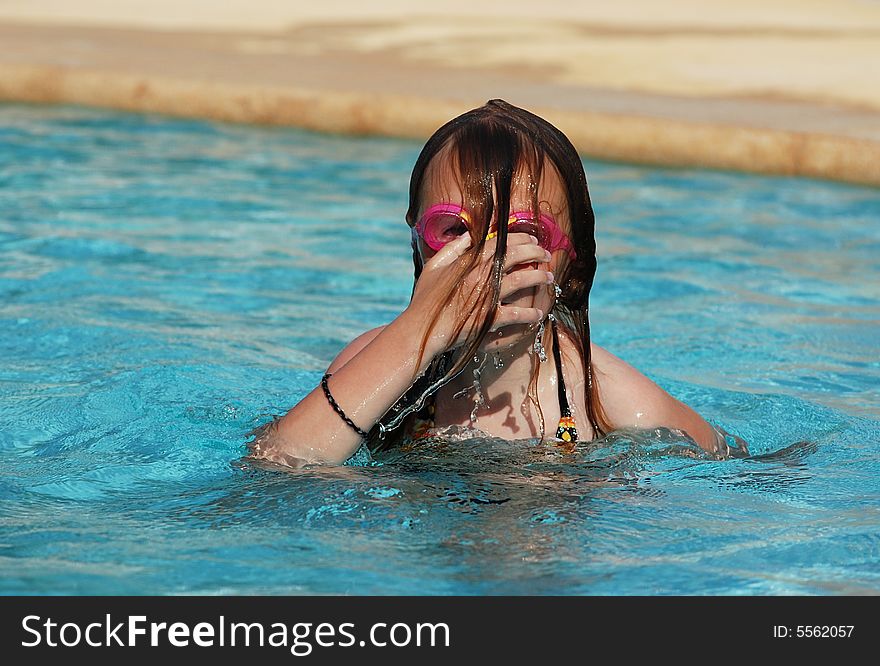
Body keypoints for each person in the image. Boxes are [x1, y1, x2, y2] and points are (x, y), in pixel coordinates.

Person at [250, 99, 743, 467]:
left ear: (570, 265)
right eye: (455, 231)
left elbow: (742, 473)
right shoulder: (380, 362)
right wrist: (417, 334)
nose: (490, 264)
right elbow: (275, 467)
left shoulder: (612, 401)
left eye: (524, 236)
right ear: (419, 246)